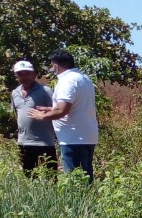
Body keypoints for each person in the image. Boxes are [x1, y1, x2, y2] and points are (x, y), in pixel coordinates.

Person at [27, 49, 98, 181]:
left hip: (73, 138)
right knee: (86, 178)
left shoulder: (67, 81)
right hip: (87, 136)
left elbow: (62, 110)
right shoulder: (84, 79)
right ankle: (88, 201)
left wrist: (41, 116)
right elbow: (76, 106)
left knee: (75, 181)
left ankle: (78, 202)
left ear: (55, 66)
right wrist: (51, 109)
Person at [9, 60, 58, 176]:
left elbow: (57, 111)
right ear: (16, 76)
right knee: (28, 177)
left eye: (27, 73)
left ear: (34, 74)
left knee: (50, 178)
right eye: (20, 74)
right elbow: (17, 113)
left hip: (45, 143)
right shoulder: (15, 93)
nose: (24, 76)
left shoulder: (45, 91)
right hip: (24, 142)